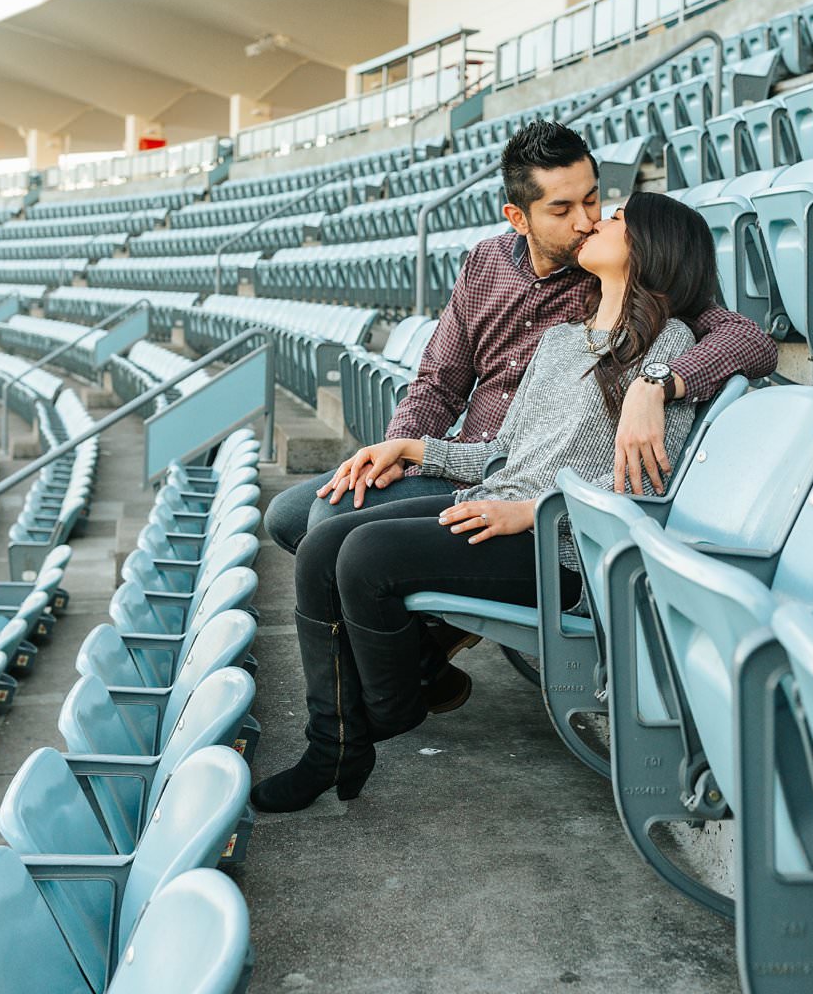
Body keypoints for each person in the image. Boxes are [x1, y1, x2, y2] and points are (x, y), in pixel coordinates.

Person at [251, 191, 717, 814]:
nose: (598, 220)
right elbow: (505, 455)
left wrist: (538, 511)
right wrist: (419, 450)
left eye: (618, 219)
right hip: (497, 506)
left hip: (562, 551)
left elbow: (644, 494)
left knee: (364, 555)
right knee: (319, 547)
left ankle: (388, 711)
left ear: (653, 247)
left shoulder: (669, 351)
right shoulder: (562, 342)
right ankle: (335, 743)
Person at [262, 120, 775, 557]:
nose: (584, 221)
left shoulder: (619, 274)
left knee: (330, 527)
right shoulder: (486, 262)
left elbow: (749, 339)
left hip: (533, 479)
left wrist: (656, 383)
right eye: (561, 209)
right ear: (518, 218)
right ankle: (429, 649)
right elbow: (439, 382)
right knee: (289, 514)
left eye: (592, 200)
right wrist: (401, 451)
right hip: (463, 461)